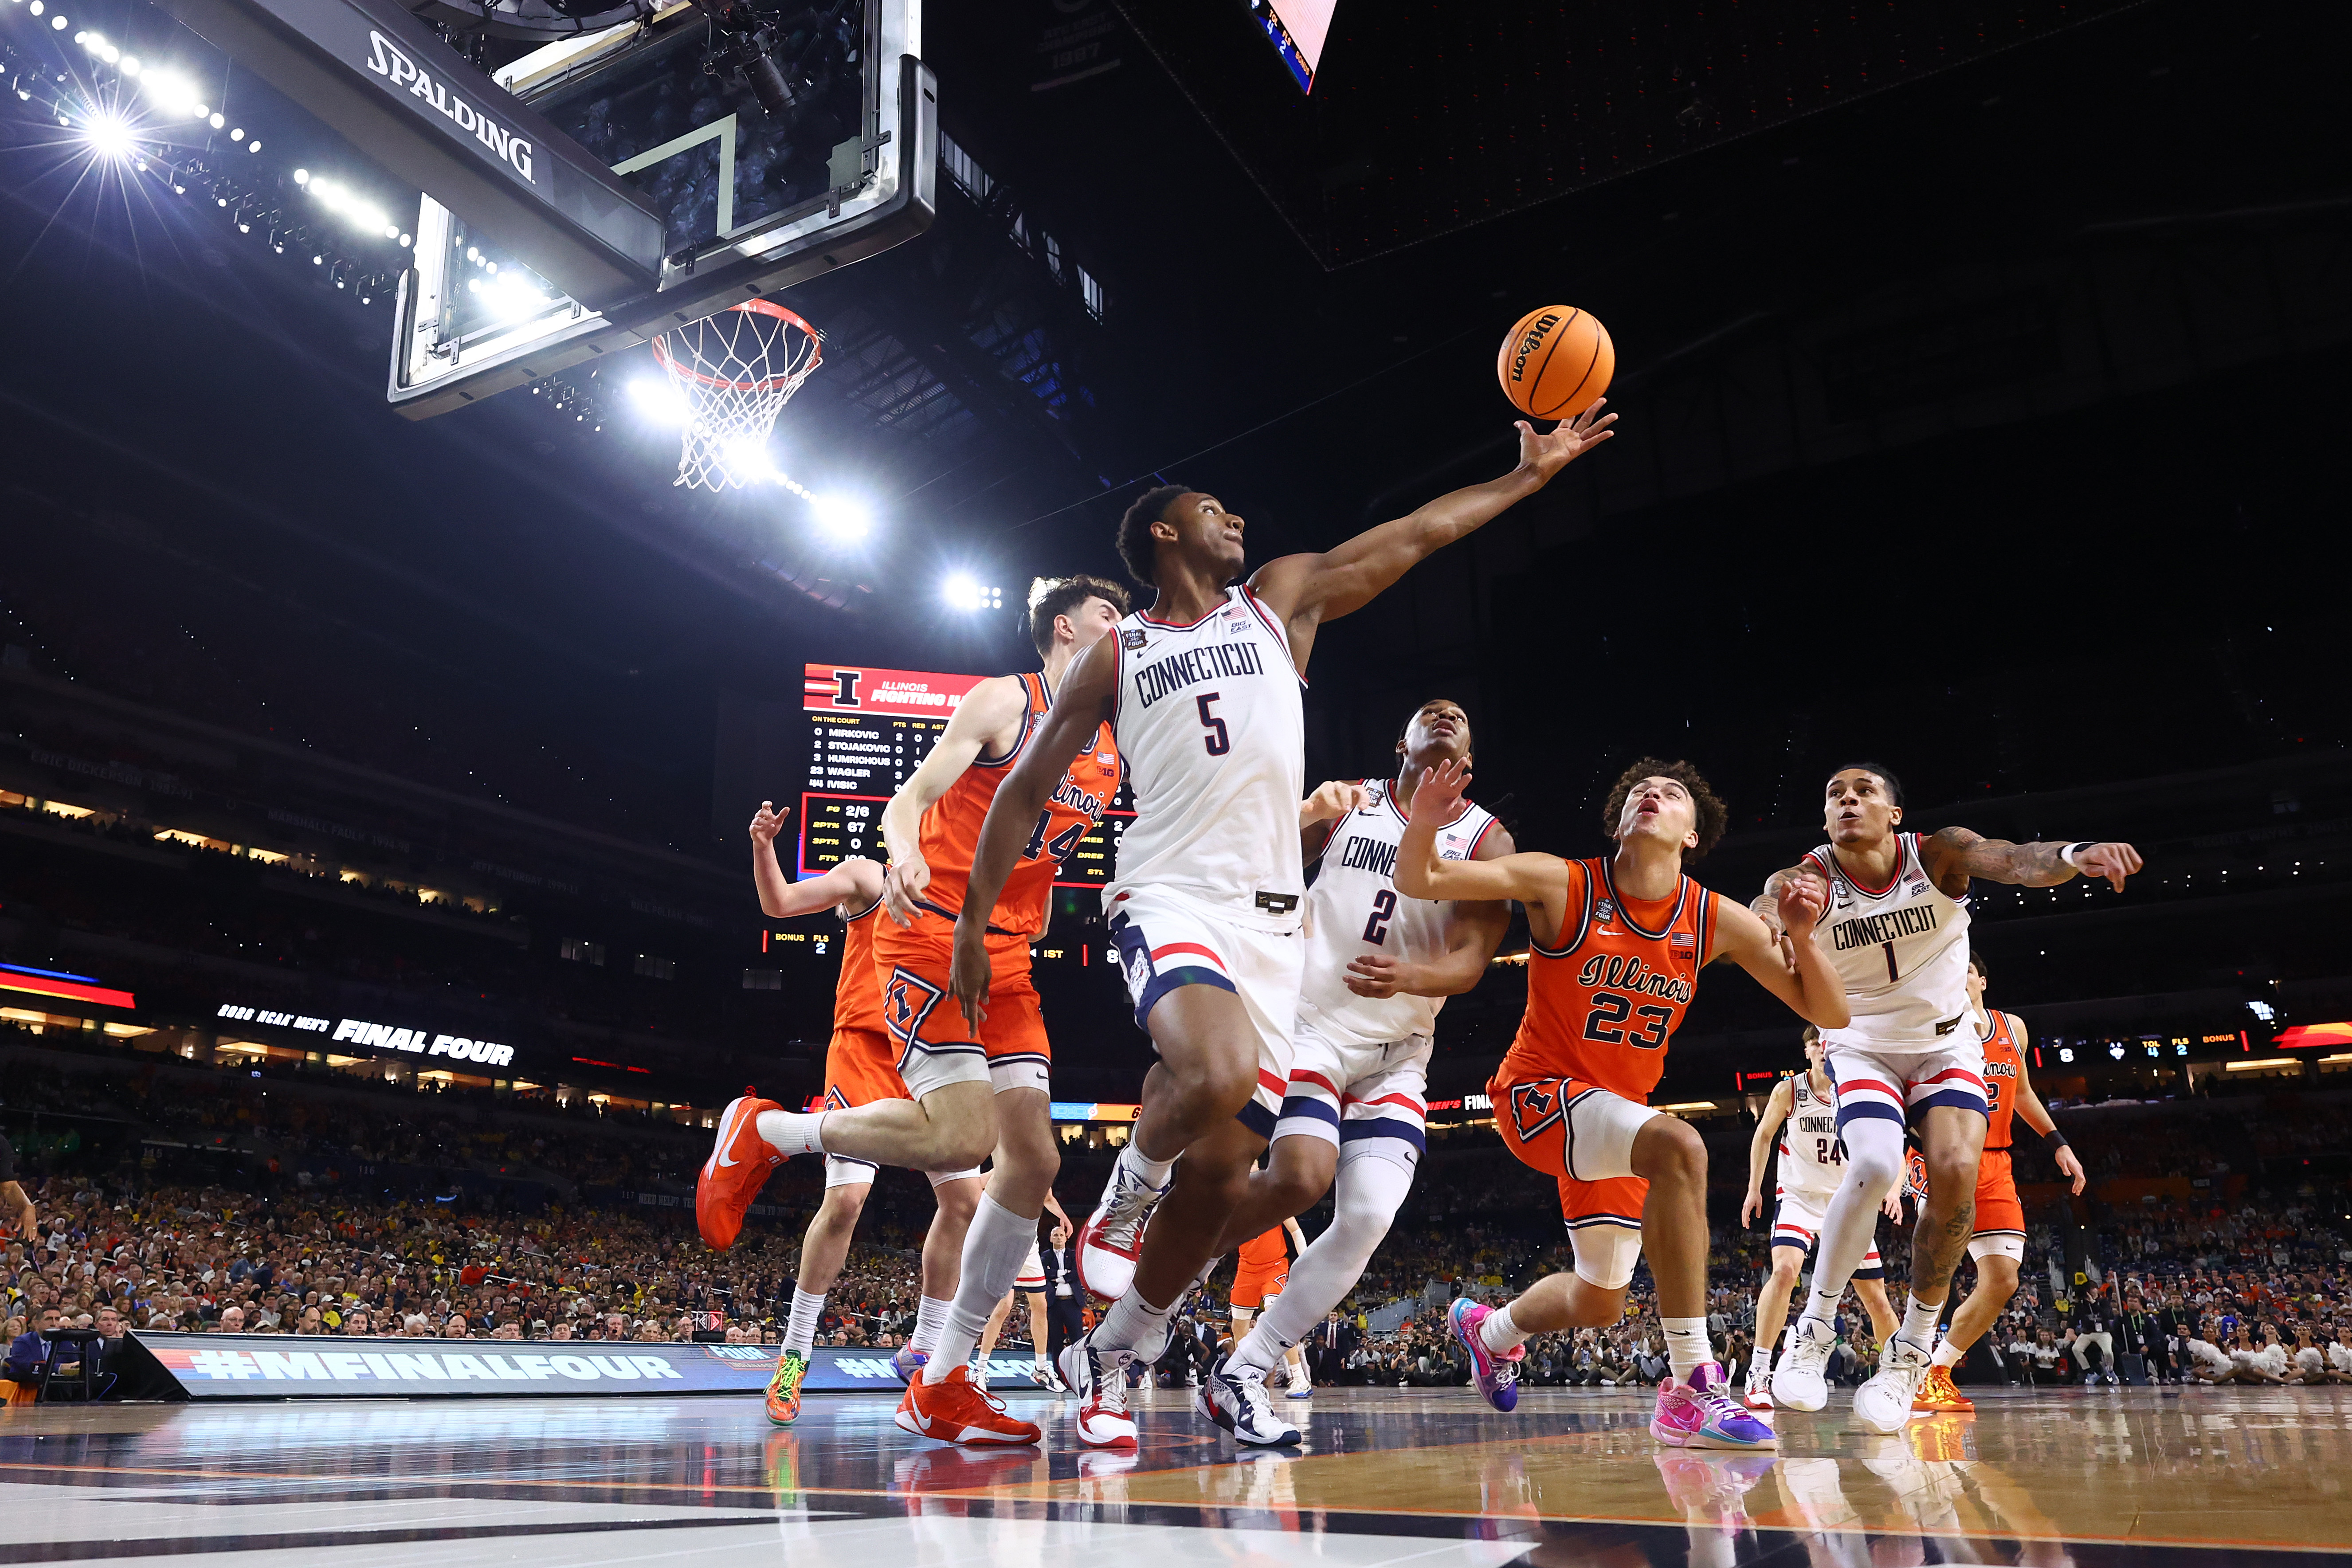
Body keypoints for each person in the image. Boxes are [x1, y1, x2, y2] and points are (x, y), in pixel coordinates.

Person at [955, 407, 1618, 1450]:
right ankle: (1127, 1188)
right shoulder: (1119, 649)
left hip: (1270, 934)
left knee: (1222, 1176)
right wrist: (969, 927)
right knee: (1213, 1080)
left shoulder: (1277, 604)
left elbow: (1411, 536)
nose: (1235, 520)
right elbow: (1023, 788)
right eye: (1210, 510)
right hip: (1168, 895)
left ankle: (1109, 1367)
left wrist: (1523, 479)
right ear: (1164, 533)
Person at [701, 575, 1131, 1446]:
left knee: (1032, 1163)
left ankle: (942, 1376)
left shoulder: (1110, 750)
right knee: (955, 1145)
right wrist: (900, 856)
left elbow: (1041, 865)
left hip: (1007, 956)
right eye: (1111, 616)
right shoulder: (1002, 702)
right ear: (1065, 628)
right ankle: (770, 1133)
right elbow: (908, 803)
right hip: (929, 937)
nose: (1126, 630)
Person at [1408, 755, 1851, 1449]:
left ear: (1692, 836)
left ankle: (1489, 1331)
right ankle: (1690, 1388)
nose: (1653, 794)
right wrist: (1427, 824)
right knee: (1682, 1146)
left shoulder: (1711, 916)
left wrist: (1799, 935)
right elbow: (1421, 877)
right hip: (1536, 1095)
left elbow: (1830, 1011)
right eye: (1640, 790)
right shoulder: (1562, 881)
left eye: (1673, 793)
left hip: (1615, 1116)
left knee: (1601, 1299)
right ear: (1618, 821)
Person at [1753, 763, 2142, 1433]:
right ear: (1824, 821)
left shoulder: (1939, 854)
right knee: (1875, 1166)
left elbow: (2018, 861)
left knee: (1957, 1172)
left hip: (1943, 1044)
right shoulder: (1806, 880)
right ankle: (1812, 1332)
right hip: (1862, 1041)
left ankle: (1909, 1356)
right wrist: (1776, 925)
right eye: (1834, 796)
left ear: (1895, 814)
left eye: (1864, 791)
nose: (1847, 800)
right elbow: (1761, 917)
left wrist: (2077, 856)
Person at [1187, 699, 1515, 1444]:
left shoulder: (1484, 835)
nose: (1442, 717)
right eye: (1427, 713)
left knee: (1366, 1216)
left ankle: (1242, 1372)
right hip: (1311, 1026)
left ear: (1468, 756)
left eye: (1458, 716)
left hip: (1396, 1051)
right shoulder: (1350, 803)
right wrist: (1302, 815)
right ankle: (1163, 1279)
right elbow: (1254, 861)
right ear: (1397, 741)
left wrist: (1412, 971)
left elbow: (1471, 957)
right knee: (1300, 1173)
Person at [696, 805, 984, 1427]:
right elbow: (778, 903)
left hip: (931, 1055)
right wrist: (763, 848)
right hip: (863, 1051)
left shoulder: (964, 897)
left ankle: (923, 1346)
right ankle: (793, 1361)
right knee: (848, 1201)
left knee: (965, 1201)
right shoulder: (867, 878)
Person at [1913, 951, 2088, 1411]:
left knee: (2003, 1279)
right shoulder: (1932, 1026)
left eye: (1967, 969)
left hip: (1995, 1160)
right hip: (1943, 1157)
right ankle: (1906, 1361)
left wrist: (2058, 1142)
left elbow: (2024, 1092)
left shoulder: (2013, 1028)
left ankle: (1937, 1369)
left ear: (1983, 981)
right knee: (1940, 1269)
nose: (1958, 975)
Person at [1737, 1025, 1902, 1409]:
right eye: (1818, 1046)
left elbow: (1894, 1139)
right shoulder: (1790, 1091)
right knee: (1784, 1272)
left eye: (1830, 1045)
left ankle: (1899, 1376)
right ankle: (1760, 1372)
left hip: (1846, 1201)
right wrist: (1753, 1189)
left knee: (1876, 1297)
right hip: (1799, 1195)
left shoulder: (1856, 1090)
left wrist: (1893, 1189)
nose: (1825, 1051)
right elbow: (1763, 1136)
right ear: (1809, 1051)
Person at [972, 1197, 1071, 1391]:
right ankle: (980, 1368)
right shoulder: (1005, 1168)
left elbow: (1048, 1197)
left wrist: (1062, 1216)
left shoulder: (1040, 1169)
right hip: (1003, 1244)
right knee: (1003, 1307)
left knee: (1041, 1306)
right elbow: (977, 1186)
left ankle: (1041, 1368)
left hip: (1029, 1247)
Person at [1223, 1216, 1311, 1405]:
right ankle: (1246, 1377)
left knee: (1276, 1320)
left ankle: (1300, 1378)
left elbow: (1295, 1231)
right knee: (1238, 1328)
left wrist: (1305, 1263)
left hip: (1274, 1267)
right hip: (1246, 1270)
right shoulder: (1237, 1205)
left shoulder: (1275, 1198)